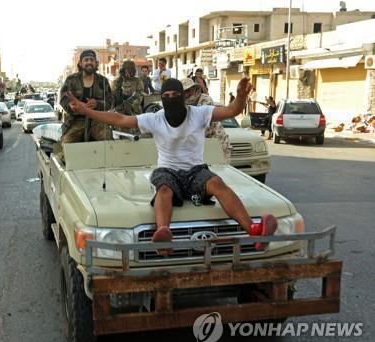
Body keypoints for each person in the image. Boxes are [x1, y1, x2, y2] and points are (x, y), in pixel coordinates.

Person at [66, 77, 277, 255]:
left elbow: (232, 110)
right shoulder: (155, 119)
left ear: (183, 96)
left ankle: (254, 229)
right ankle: (164, 235)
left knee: (217, 183)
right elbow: (120, 119)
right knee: (164, 190)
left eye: (174, 95)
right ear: (161, 99)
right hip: (167, 171)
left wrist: (241, 97)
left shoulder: (199, 113)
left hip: (196, 171)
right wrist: (87, 111)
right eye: (165, 97)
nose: (170, 100)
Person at [59, 49, 113, 144]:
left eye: (92, 60)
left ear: (96, 63)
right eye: (86, 60)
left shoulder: (103, 81)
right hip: (76, 121)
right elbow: (63, 99)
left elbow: (110, 102)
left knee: (108, 141)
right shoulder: (71, 80)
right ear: (80, 63)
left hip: (98, 120)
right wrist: (71, 106)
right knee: (66, 144)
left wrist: (97, 103)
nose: (89, 62)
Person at [181, 78, 231, 162]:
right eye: (184, 92)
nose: (186, 94)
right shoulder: (184, 103)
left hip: (217, 143)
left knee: (219, 171)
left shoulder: (206, 100)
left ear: (194, 89)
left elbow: (200, 123)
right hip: (200, 147)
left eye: (188, 90)